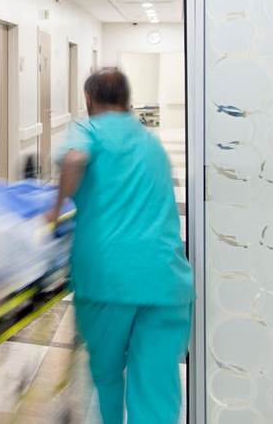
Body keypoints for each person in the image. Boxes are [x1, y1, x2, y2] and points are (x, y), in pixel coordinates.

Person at [48, 68, 193, 424]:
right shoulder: (151, 142)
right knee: (157, 386)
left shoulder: (88, 129)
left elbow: (75, 158)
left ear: (88, 100)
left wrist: (55, 209)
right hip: (166, 281)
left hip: (108, 281)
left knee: (109, 376)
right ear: (127, 101)